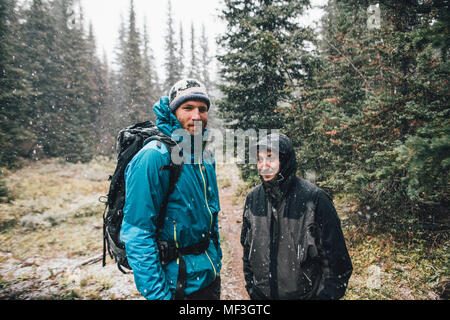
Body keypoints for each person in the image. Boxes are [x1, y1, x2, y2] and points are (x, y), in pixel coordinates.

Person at [120, 79, 222, 300]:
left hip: (209, 280)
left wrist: (217, 260)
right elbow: (137, 232)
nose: (197, 116)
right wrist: (159, 296)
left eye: (202, 109)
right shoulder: (154, 156)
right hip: (176, 287)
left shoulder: (205, 157)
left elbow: (212, 216)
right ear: (173, 112)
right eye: (188, 108)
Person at [240, 133, 353, 300]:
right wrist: (253, 290)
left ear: (285, 161)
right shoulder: (253, 199)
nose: (264, 166)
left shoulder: (315, 199)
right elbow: (247, 250)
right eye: (259, 159)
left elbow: (337, 263)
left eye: (270, 158)